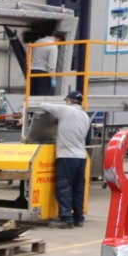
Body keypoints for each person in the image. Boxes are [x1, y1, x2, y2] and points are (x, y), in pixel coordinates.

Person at [36, 90, 91, 228]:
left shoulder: (66, 110)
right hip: (81, 157)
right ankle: (78, 218)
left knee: (64, 187)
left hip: (67, 156)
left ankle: (66, 219)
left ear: (69, 101)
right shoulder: (85, 116)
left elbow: (43, 105)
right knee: (78, 188)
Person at [29, 31, 63, 97]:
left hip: (32, 71)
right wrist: (53, 79)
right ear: (59, 40)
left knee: (32, 96)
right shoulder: (53, 46)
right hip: (43, 73)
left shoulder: (37, 42)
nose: (58, 45)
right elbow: (51, 66)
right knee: (42, 97)